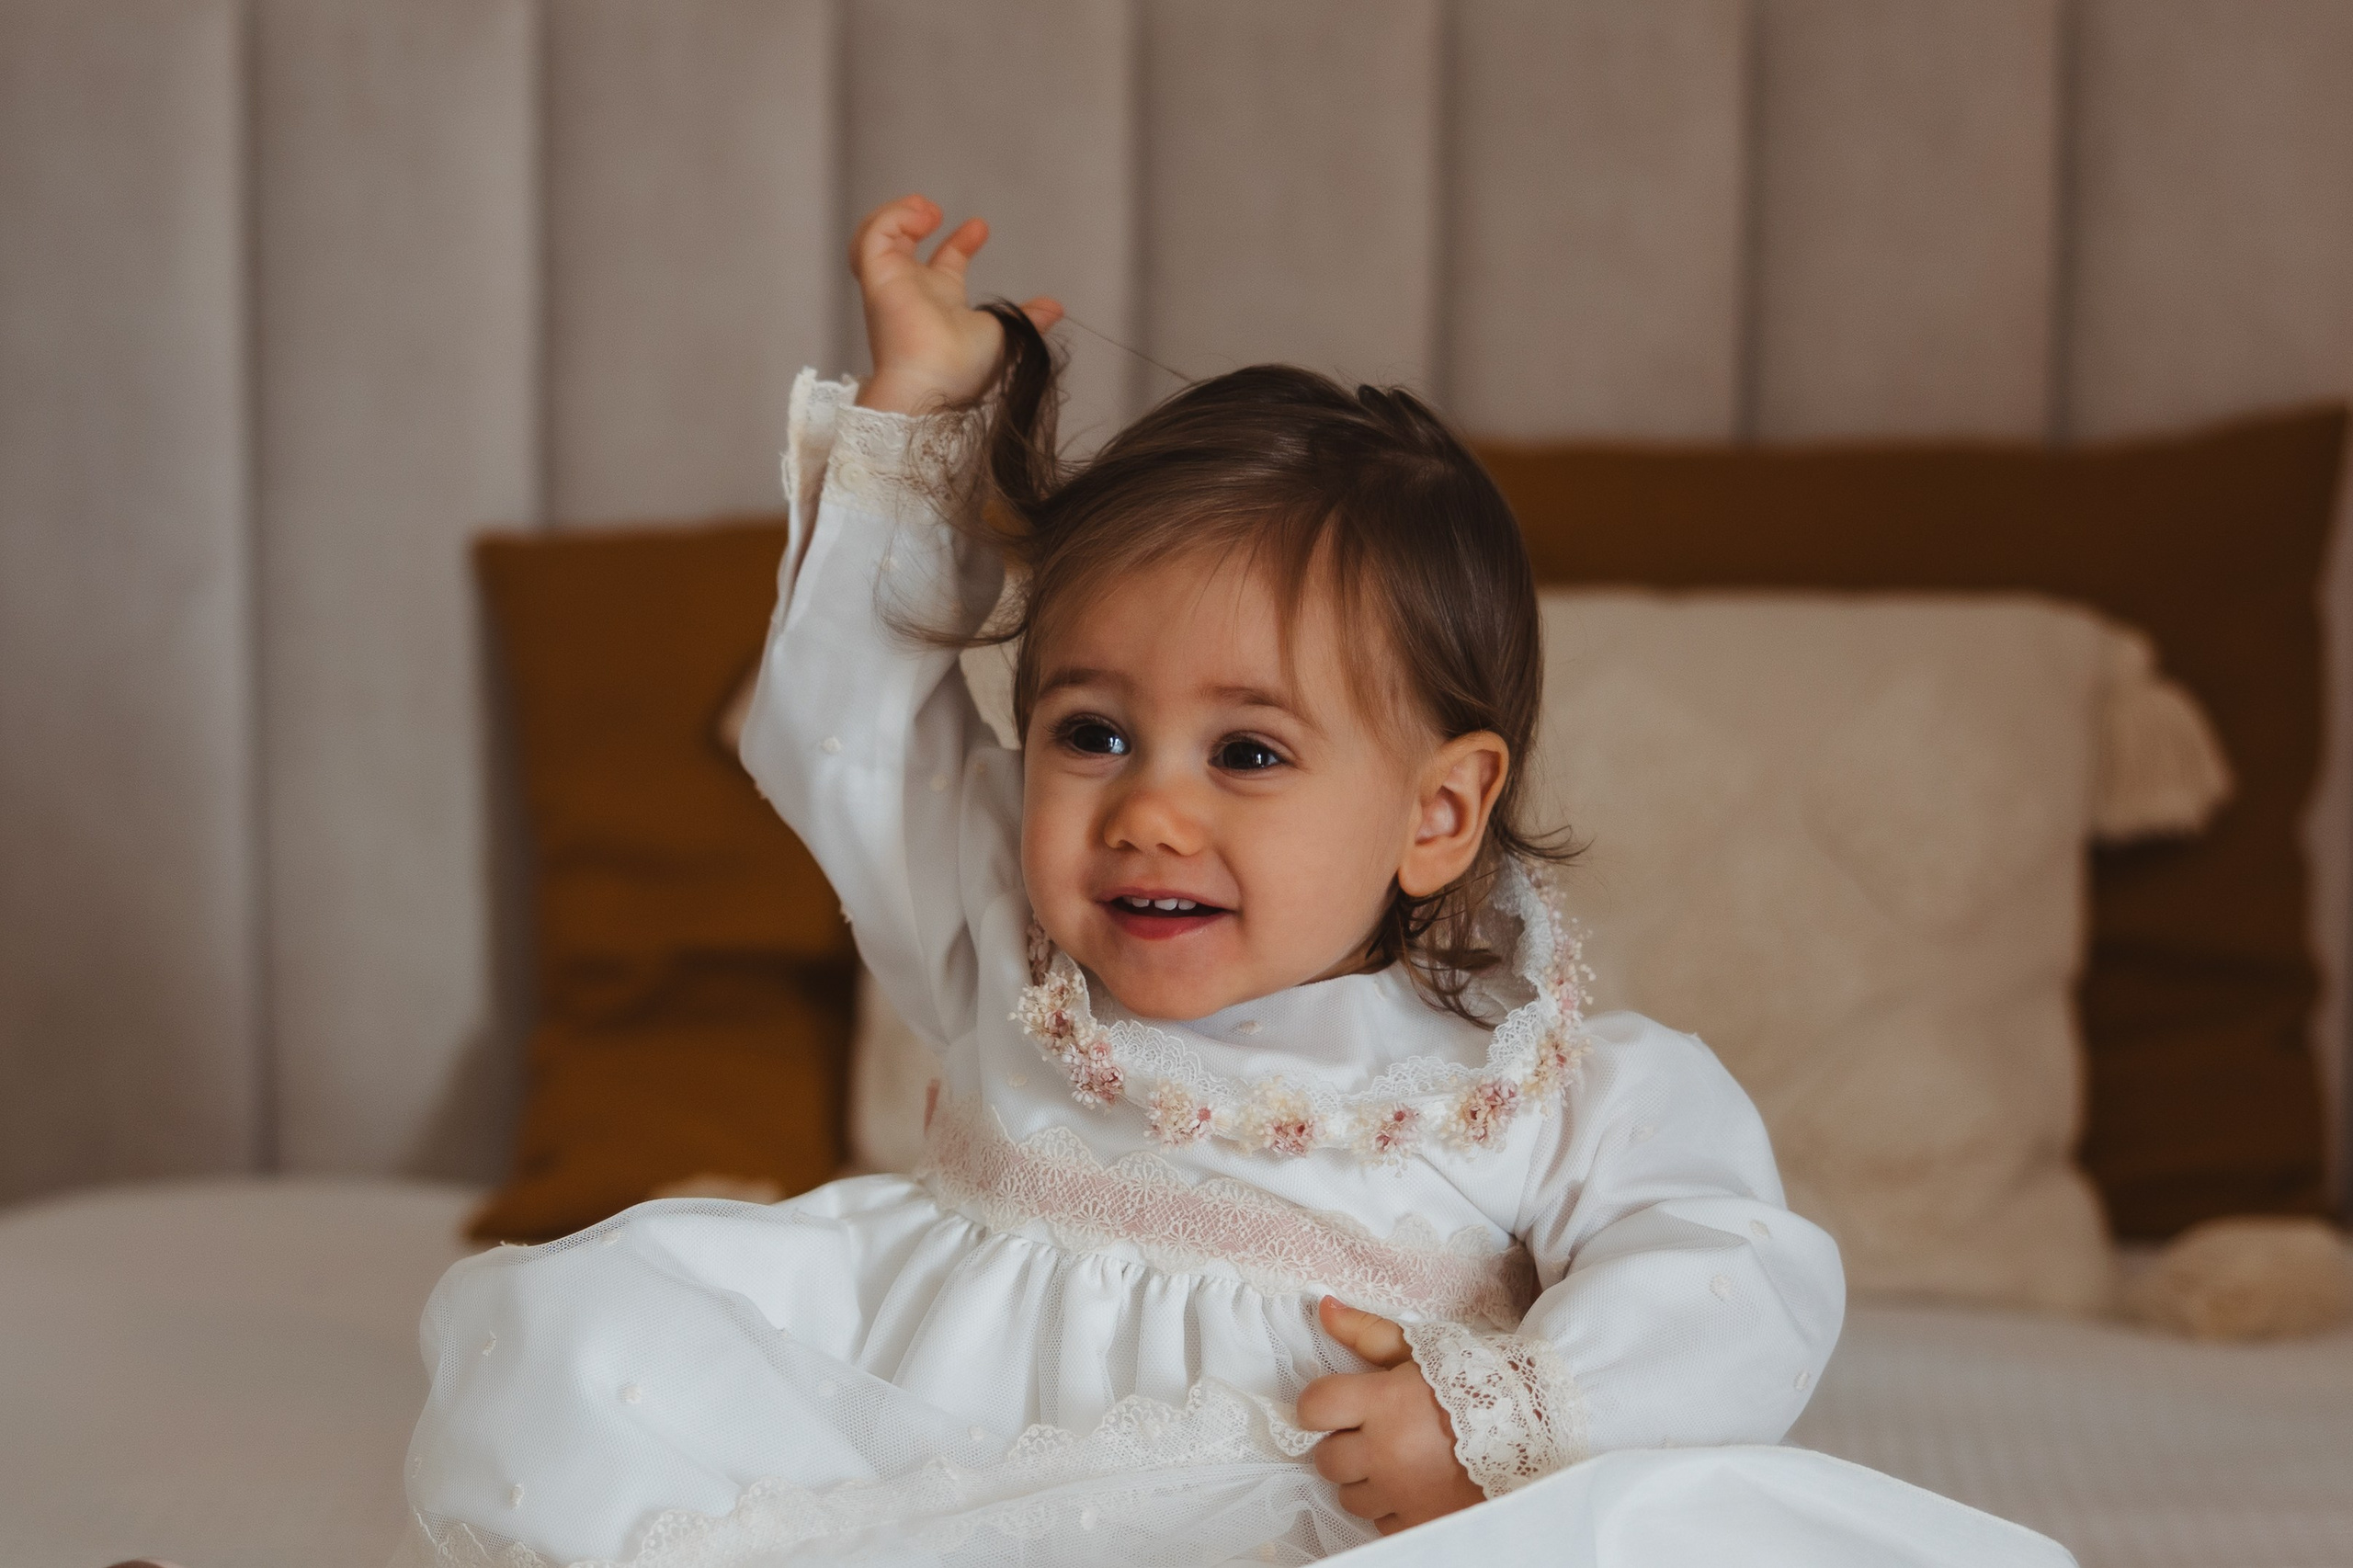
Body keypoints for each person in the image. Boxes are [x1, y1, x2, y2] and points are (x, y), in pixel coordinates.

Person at [394, 197, 2067, 1568]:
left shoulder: (1549, 1089)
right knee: (584, 1362)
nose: (1152, 815)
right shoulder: (1005, 939)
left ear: (1439, 810)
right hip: (939, 1495)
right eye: (1093, 731)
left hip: (1329, 1524)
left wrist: (1500, 1416)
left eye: (1249, 755)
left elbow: (1736, 1272)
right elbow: (845, 729)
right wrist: (923, 420)